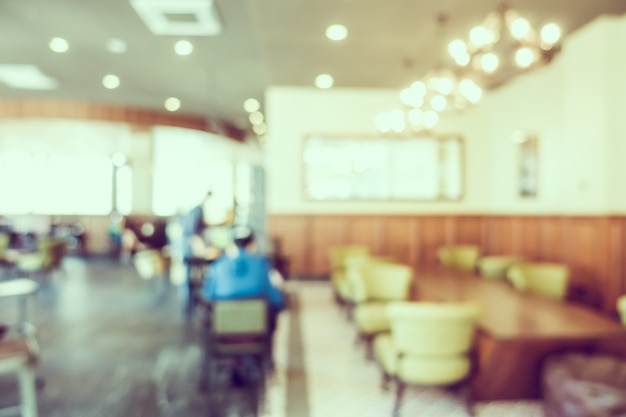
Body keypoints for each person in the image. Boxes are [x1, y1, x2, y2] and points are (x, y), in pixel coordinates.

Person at [201, 225, 286, 333]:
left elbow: (208, 294)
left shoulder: (219, 265)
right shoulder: (261, 264)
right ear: (252, 244)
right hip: (257, 330)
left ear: (232, 244)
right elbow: (276, 299)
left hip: (224, 328)